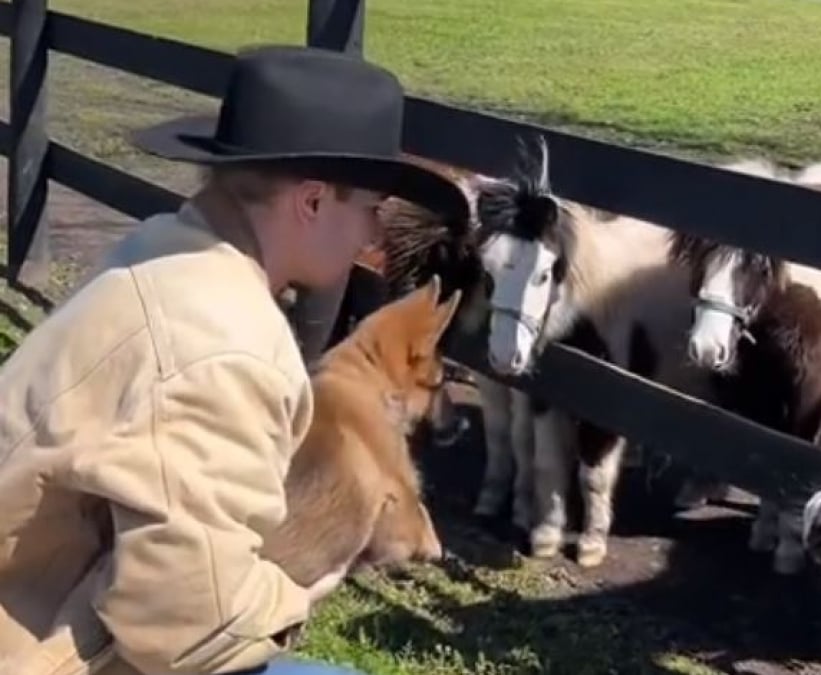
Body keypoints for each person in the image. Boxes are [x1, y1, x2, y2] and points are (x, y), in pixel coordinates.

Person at [0, 45, 470, 675]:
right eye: (371, 210)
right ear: (311, 202)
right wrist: (296, 593)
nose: (372, 237)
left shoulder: (159, 251)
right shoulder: (228, 347)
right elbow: (184, 623)